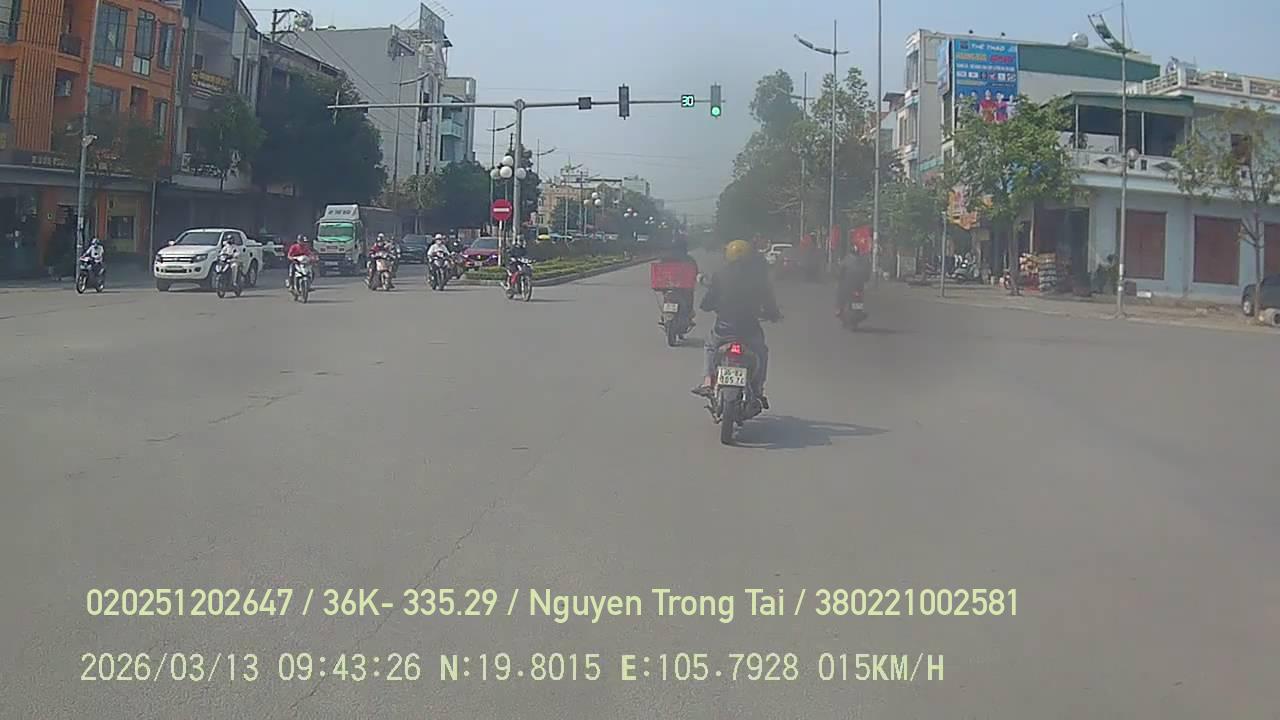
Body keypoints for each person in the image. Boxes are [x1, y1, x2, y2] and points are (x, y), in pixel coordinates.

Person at [692, 239, 781, 407]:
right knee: (761, 352)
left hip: (723, 329)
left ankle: (708, 381)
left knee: (710, 347)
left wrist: (708, 306)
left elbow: (708, 301)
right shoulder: (758, 277)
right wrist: (773, 314)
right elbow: (769, 301)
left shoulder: (720, 274)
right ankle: (758, 388)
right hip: (749, 330)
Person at [659, 237, 699, 327]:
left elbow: (660, 270)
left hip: (669, 286)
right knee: (689, 295)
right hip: (684, 288)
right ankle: (689, 313)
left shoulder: (665, 258)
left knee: (666, 295)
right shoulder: (689, 259)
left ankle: (664, 315)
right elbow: (695, 271)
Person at [835, 237, 872, 315]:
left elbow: (840, 271)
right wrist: (866, 280)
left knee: (841, 293)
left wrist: (839, 277)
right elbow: (866, 274)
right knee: (859, 295)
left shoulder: (847, 259)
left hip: (848, 284)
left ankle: (840, 309)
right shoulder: (862, 261)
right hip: (858, 285)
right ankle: (858, 309)